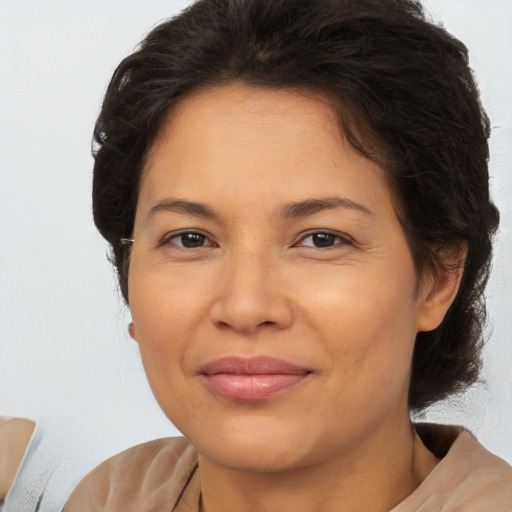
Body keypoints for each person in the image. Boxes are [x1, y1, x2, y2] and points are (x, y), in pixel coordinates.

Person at [64, 0, 512, 510]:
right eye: (190, 239)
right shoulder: (115, 495)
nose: (245, 307)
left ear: (438, 278)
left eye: (321, 239)